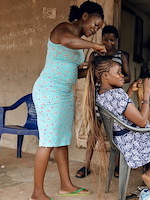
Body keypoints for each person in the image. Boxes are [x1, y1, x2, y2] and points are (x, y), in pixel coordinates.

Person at [31, 1, 106, 200]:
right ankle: (37, 193)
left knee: (61, 141)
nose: (95, 29)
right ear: (85, 16)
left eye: (98, 28)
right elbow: (67, 41)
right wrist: (95, 45)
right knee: (48, 142)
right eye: (95, 24)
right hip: (49, 91)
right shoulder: (63, 29)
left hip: (64, 93)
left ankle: (66, 185)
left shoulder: (79, 41)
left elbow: (73, 71)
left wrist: (91, 68)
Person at [81, 56, 150, 192]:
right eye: (118, 72)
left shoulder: (101, 94)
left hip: (120, 140)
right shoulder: (117, 94)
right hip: (133, 142)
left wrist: (130, 90)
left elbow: (118, 108)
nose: (122, 75)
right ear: (105, 76)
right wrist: (147, 92)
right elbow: (142, 122)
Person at [75, 25, 130, 179]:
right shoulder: (95, 55)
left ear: (116, 40)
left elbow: (128, 77)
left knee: (117, 132)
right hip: (97, 98)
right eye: (105, 39)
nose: (108, 42)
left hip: (114, 99)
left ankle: (117, 165)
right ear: (101, 39)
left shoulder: (121, 55)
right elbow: (89, 74)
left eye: (112, 40)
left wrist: (113, 78)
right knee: (93, 131)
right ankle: (86, 165)